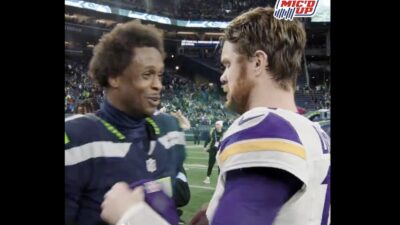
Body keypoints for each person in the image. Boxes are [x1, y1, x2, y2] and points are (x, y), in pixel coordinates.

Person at [190, 6, 330, 225]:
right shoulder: (316, 132)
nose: (222, 78)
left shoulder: (263, 126)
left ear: (257, 62)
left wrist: (132, 212)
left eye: (228, 65)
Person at [65, 20, 186, 225]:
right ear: (114, 77)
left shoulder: (169, 129)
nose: (158, 85)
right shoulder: (77, 139)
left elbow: (180, 200)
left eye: (160, 75)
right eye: (147, 75)